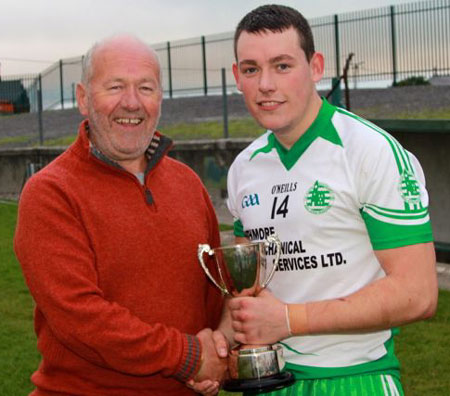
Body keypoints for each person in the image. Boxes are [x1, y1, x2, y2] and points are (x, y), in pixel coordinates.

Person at [225, 5, 438, 395]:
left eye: (283, 66)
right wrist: (214, 347)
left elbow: (418, 293)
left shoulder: (370, 152)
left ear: (316, 67)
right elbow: (247, 293)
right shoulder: (244, 168)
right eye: (252, 69)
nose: (266, 84)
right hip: (267, 381)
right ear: (237, 77)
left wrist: (289, 319)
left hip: (355, 378)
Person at [14, 35, 228, 396]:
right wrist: (191, 357)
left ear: (160, 97)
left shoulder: (188, 184)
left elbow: (215, 291)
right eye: (115, 86)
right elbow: (82, 318)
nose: (131, 103)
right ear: (83, 98)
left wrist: (220, 350)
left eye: (145, 87)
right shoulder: (51, 192)